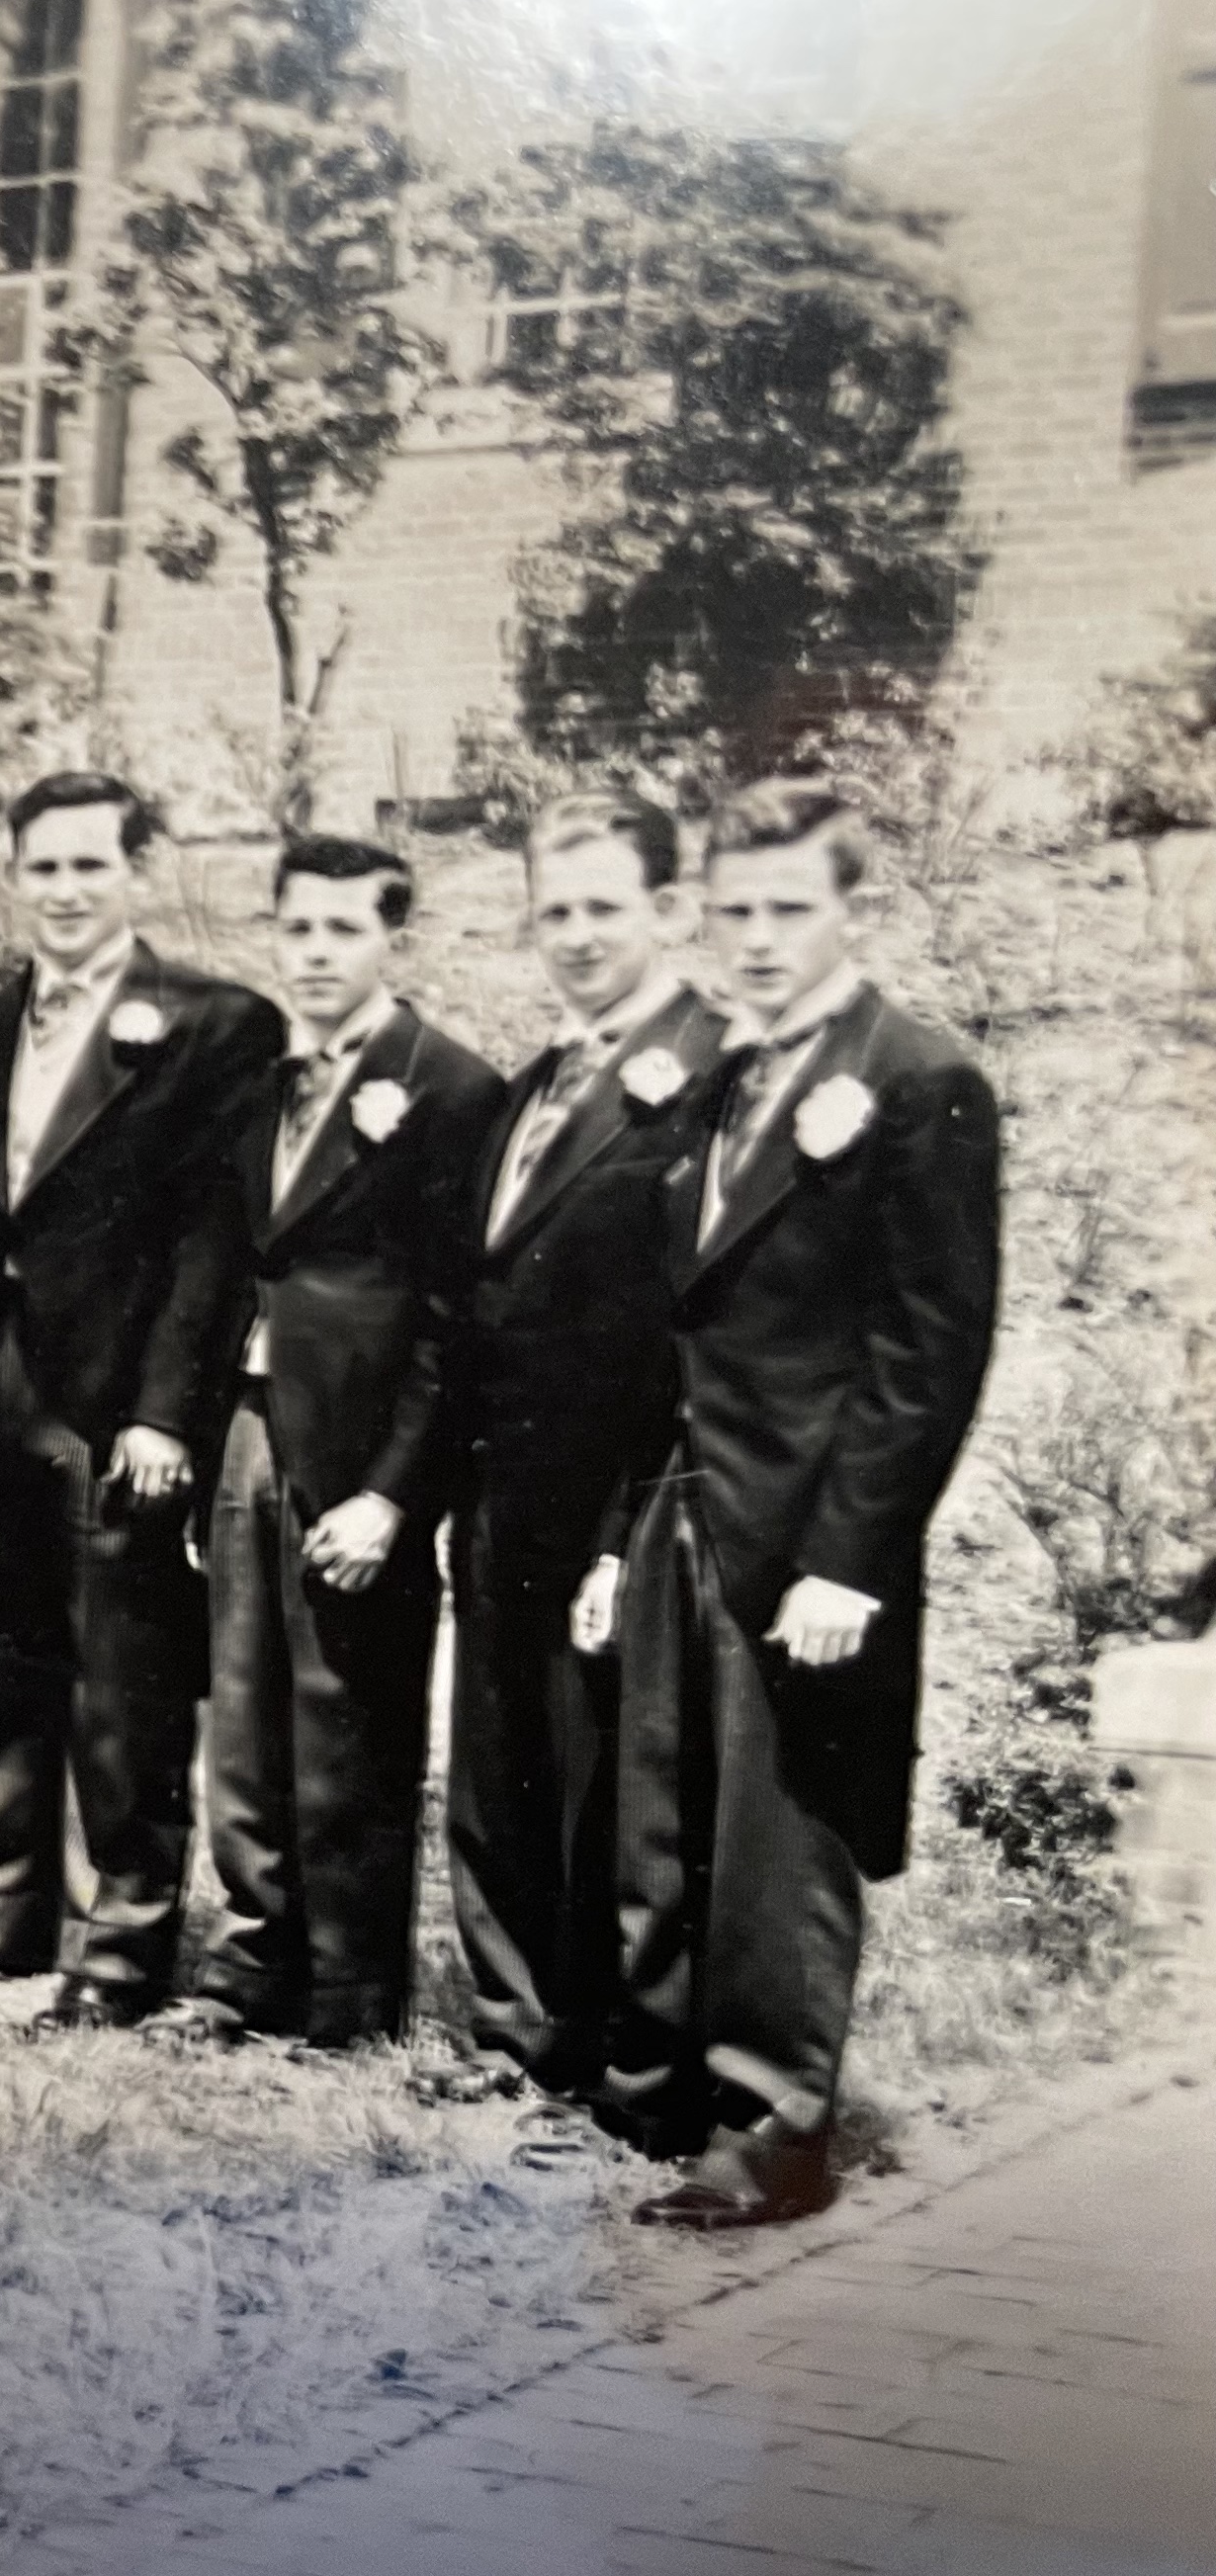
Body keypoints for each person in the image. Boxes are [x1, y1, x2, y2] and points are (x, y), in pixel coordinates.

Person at [602, 780, 1000, 2228]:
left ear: (851, 910)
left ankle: (776, 2126)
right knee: (669, 1808)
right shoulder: (725, 1072)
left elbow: (930, 1345)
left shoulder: (916, 1076)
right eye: (735, 911)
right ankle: (658, 2091)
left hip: (810, 1527)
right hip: (687, 1499)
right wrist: (622, 1528)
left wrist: (853, 1560)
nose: (758, 940)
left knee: (785, 1828)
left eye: (790, 911)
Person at [0, 771, 286, 2026]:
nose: (66, 892)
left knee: (119, 1672)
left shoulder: (215, 1023)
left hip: (113, 1396)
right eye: (43, 868)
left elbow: (213, 1238)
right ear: (12, 878)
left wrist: (162, 1412)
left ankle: (121, 1947)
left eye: (91, 865)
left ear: (137, 872)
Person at [154, 835, 506, 2052]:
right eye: (297, 929)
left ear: (391, 938)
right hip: (249, 1429)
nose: (315, 954)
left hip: (360, 1456)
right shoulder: (257, 1076)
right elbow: (219, 1260)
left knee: (348, 1716)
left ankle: (351, 2000)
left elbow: (457, 1318)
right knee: (244, 1717)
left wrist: (396, 1496)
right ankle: (248, 1971)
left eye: (344, 931)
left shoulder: (451, 1088)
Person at [441, 792, 732, 2103]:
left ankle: (630, 2059)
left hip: (627, 1496)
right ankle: (521, 2038)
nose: (576, 935)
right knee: (505, 1766)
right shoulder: (524, 1092)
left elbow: (700, 1328)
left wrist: (628, 1533)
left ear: (666, 911)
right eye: (553, 910)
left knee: (619, 1788)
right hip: (503, 1493)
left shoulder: (718, 1075)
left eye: (604, 908)